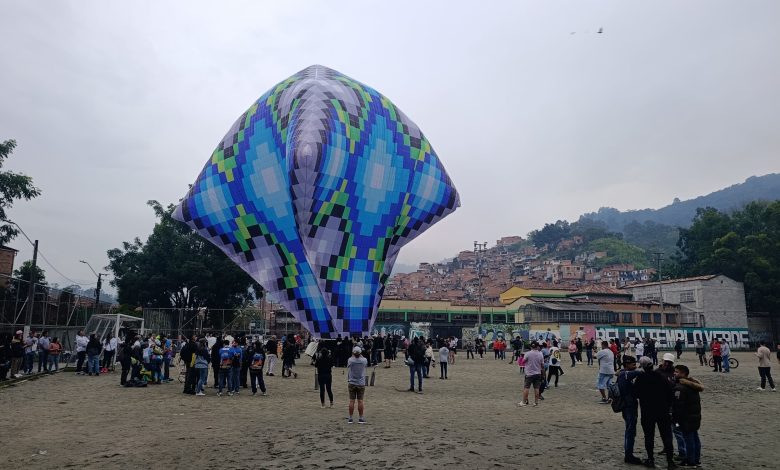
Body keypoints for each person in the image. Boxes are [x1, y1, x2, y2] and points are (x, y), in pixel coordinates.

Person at [634, 356, 675, 469]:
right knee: (666, 436)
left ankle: (651, 459)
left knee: (649, 436)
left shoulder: (641, 378)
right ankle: (670, 461)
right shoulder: (661, 377)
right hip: (662, 410)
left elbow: (636, 393)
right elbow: (669, 393)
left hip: (647, 411)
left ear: (642, 367)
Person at [672, 365, 704, 467]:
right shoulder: (693, 385)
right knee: (695, 438)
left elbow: (678, 405)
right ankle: (696, 459)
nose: (674, 373)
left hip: (686, 418)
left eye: (677, 372)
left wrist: (675, 418)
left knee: (688, 439)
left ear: (683, 374)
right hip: (695, 416)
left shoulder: (680, 387)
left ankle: (690, 460)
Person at [617, 355, 644, 465]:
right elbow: (640, 372)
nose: (635, 366)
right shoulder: (627, 374)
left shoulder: (622, 373)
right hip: (629, 406)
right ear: (627, 364)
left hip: (626, 405)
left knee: (629, 429)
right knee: (630, 430)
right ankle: (629, 455)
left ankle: (629, 453)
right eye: (633, 364)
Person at [518, 341, 544, 407]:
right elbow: (542, 365)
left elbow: (523, 362)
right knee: (536, 388)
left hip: (529, 373)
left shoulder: (528, 353)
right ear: (537, 346)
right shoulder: (540, 354)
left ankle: (524, 401)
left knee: (526, 388)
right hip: (538, 373)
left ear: (531, 346)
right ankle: (536, 402)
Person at [346, 346, 367, 424]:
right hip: (361, 383)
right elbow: (365, 362)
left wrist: (353, 354)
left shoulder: (350, 360)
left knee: (352, 401)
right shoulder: (364, 360)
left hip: (352, 382)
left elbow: (348, 364)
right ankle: (361, 418)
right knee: (360, 401)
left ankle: (350, 418)